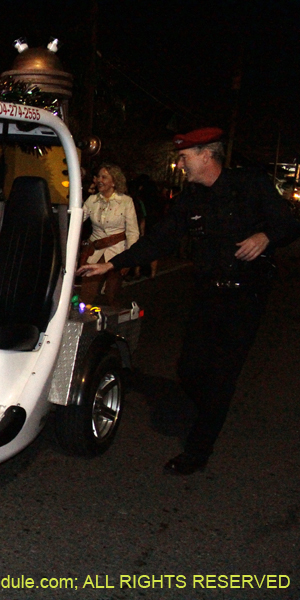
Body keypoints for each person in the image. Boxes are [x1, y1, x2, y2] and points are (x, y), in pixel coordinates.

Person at [77, 127, 298, 475]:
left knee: (223, 374)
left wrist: (266, 235)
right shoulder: (190, 199)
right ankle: (209, 406)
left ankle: (198, 449)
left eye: (184, 157)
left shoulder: (251, 184)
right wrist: (110, 264)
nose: (179, 164)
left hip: (245, 297)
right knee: (190, 369)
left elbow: (289, 222)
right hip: (208, 294)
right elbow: (160, 241)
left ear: (206, 155)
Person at [79, 163, 139, 306]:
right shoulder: (92, 200)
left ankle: (109, 325)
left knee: (111, 295)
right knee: (87, 294)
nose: (99, 180)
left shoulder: (125, 201)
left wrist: (130, 258)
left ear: (114, 182)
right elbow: (76, 220)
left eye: (104, 177)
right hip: (95, 252)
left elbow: (132, 231)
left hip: (116, 253)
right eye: (98, 176)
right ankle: (85, 322)